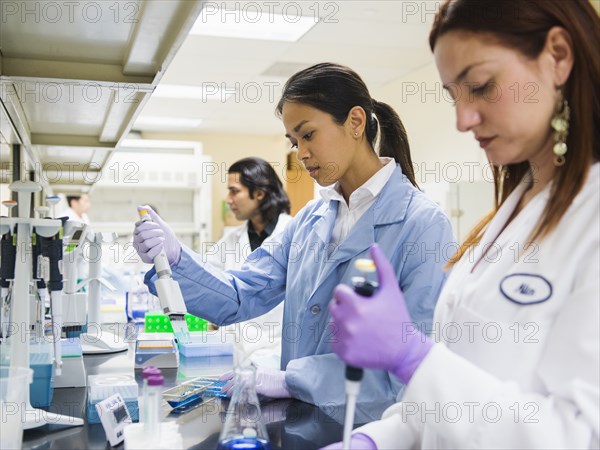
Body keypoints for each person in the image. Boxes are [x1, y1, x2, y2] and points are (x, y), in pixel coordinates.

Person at [325, 0, 599, 448]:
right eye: (454, 96)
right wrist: (376, 440)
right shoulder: (511, 212)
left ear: (559, 55)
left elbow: (578, 436)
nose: (463, 119)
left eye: (481, 86)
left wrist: (411, 355)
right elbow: (445, 395)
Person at [133, 62, 454, 407]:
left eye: (308, 135)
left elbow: (413, 363)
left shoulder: (423, 224)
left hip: (371, 429)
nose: (300, 154)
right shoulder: (309, 221)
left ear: (356, 122)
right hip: (303, 421)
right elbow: (241, 294)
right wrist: (178, 259)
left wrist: (294, 380)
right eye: (294, 141)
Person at [203, 157, 292, 368]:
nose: (228, 199)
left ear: (259, 193)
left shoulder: (294, 233)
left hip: (277, 358)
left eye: (234, 191)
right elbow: (204, 277)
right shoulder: (231, 239)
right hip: (234, 357)